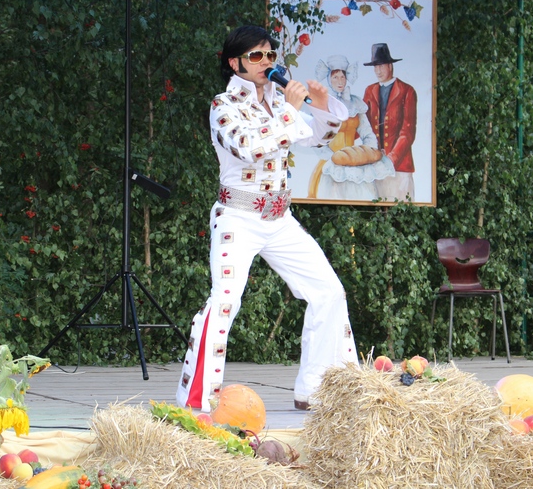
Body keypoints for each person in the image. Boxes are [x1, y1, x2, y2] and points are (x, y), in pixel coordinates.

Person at [176, 25, 359, 412]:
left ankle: (319, 390)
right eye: (256, 56)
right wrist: (291, 110)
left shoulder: (278, 100)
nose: (266, 63)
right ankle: (198, 401)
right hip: (238, 217)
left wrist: (322, 106)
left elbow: (316, 138)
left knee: (328, 291)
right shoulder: (223, 105)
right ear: (235, 63)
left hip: (279, 219)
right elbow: (250, 147)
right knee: (225, 301)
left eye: (270, 55)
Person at [307, 55, 394, 200]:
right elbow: (317, 141)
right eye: (335, 77)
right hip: (330, 165)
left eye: (343, 77)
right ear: (329, 79)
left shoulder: (355, 103)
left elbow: (367, 133)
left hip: (355, 165)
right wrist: (333, 159)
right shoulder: (322, 104)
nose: (340, 81)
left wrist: (367, 154)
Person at [362, 43, 418, 201]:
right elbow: (362, 124)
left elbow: (407, 133)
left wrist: (391, 160)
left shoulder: (407, 91)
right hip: (375, 166)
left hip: (400, 168)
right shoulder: (370, 90)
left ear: (390, 65)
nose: (377, 71)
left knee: (401, 210)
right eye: (375, 67)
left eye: (381, 65)